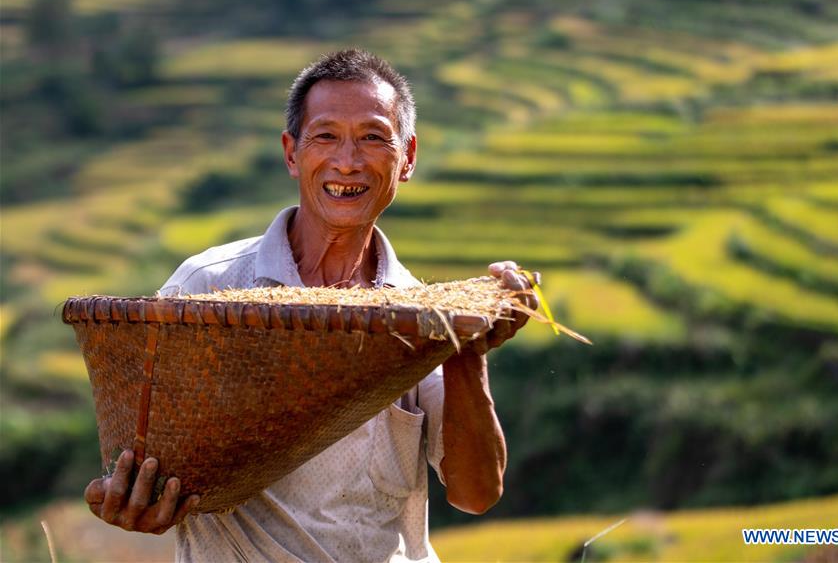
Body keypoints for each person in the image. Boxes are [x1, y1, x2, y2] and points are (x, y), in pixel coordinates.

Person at [84, 49, 535, 562]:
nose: (348, 161)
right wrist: (135, 501)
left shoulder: (419, 314)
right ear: (291, 152)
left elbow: (476, 493)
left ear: (406, 157)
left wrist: (466, 348)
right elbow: (146, 464)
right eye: (325, 136)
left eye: (372, 137)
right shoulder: (207, 286)